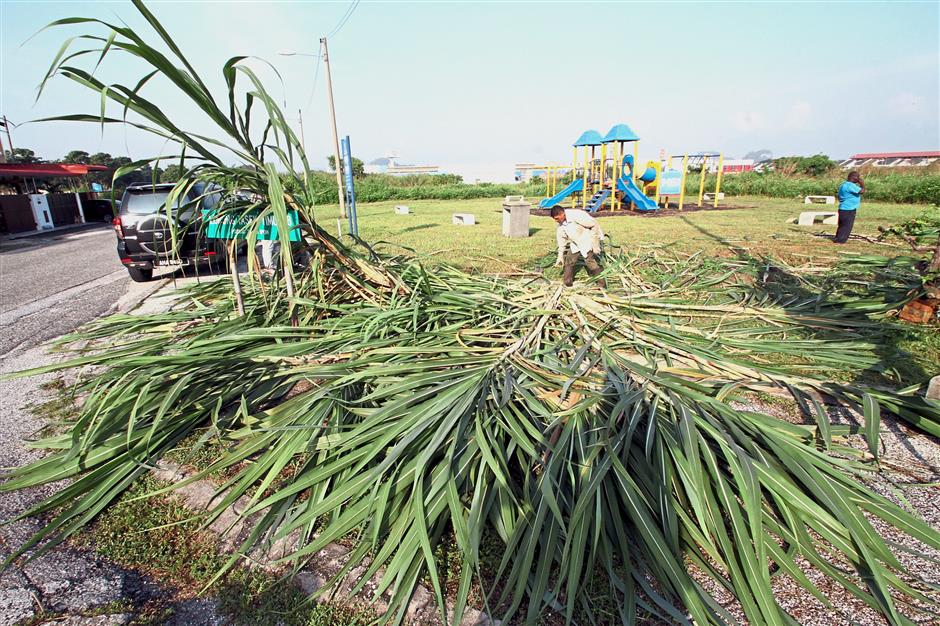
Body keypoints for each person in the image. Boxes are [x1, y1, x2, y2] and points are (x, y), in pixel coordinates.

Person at [551, 206, 605, 286]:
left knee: (589, 261)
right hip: (576, 242)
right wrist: (560, 257)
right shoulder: (561, 226)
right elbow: (561, 242)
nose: (556, 221)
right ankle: (567, 283)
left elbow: (594, 224)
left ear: (562, 214)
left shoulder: (576, 215)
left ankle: (602, 284)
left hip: (588, 239)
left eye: (557, 218)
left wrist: (595, 244)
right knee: (569, 260)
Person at [834, 171, 864, 244]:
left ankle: (838, 237)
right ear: (854, 177)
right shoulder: (850, 185)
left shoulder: (843, 185)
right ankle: (840, 240)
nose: (859, 179)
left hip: (843, 208)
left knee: (842, 225)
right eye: (858, 177)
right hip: (849, 209)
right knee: (847, 226)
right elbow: (862, 191)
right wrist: (862, 184)